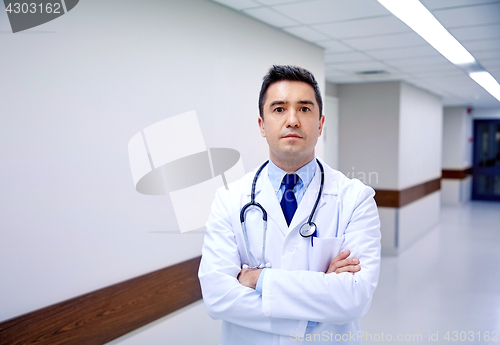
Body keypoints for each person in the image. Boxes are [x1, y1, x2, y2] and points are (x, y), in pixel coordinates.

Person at [198, 65, 381, 344]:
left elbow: (354, 298)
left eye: (305, 109)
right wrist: (318, 299)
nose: (292, 120)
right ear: (262, 125)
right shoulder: (229, 199)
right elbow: (217, 296)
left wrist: (258, 280)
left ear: (320, 124)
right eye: (279, 109)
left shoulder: (356, 198)